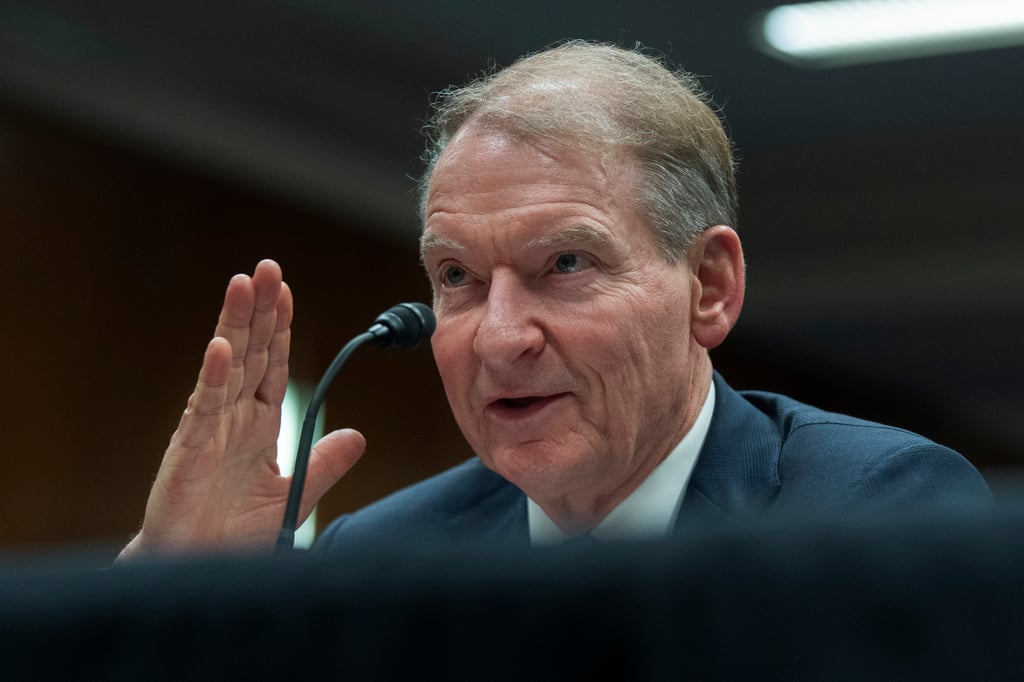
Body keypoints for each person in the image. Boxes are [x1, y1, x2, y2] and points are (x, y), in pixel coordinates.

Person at [118, 41, 989, 558]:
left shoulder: (872, 513)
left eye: (565, 263)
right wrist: (172, 601)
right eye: (457, 278)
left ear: (709, 289)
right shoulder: (388, 557)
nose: (499, 337)